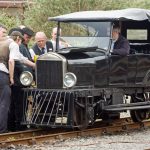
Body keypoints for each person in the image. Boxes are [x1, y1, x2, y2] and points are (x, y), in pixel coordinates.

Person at [0, 24, 15, 133]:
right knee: (4, 103)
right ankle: (2, 130)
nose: (5, 35)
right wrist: (11, 77)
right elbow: (11, 61)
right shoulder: (10, 43)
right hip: (2, 74)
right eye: (4, 32)